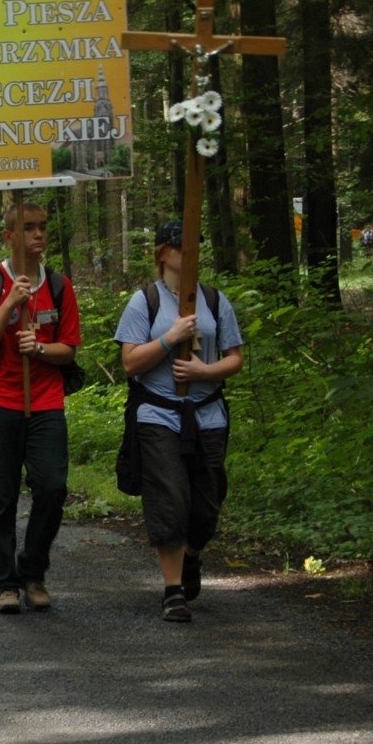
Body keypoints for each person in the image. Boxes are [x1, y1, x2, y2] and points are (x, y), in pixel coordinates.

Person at [114, 220, 244, 623]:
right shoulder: (145, 301)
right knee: (169, 497)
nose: (192, 255)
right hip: (158, 414)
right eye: (183, 247)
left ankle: (192, 556)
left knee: (206, 505)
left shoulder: (215, 300)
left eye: (195, 247)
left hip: (207, 415)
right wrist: (170, 339)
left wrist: (204, 373)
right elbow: (130, 362)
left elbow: (235, 357)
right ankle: (173, 590)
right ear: (163, 253)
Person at [0, 203, 81, 614]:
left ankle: (32, 569)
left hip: (46, 402)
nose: (38, 235)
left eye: (43, 227)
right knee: (1, 495)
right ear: (9, 236)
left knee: (52, 488)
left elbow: (68, 350)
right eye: (28, 228)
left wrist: (42, 348)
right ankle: (5, 582)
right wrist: (10, 303)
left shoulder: (60, 285)